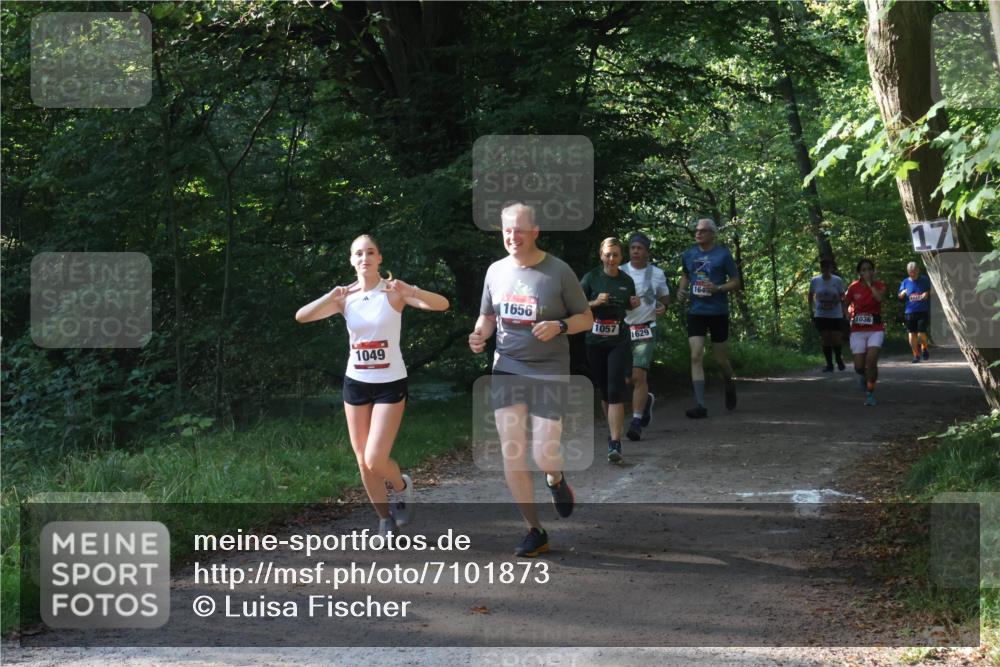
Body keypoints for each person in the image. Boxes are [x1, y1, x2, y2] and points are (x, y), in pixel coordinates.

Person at [296, 234, 450, 536]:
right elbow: (302, 317)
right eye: (358, 253)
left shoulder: (393, 293)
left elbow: (442, 305)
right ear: (351, 260)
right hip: (356, 382)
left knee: (375, 458)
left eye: (370, 252)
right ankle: (384, 520)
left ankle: (401, 485)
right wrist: (331, 296)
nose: (364, 258)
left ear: (379, 258)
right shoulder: (344, 298)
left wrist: (412, 290)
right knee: (363, 462)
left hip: (390, 383)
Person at [469, 203, 593, 558]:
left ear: (536, 231)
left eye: (520, 230)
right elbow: (487, 316)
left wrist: (561, 326)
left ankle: (555, 478)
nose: (513, 237)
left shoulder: (558, 271)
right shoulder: (495, 271)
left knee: (543, 455)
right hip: (507, 366)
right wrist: (479, 335)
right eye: (507, 231)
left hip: (549, 370)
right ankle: (534, 530)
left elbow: (586, 317)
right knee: (512, 452)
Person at [580, 237, 641, 463]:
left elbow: (627, 304)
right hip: (595, 342)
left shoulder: (626, 280)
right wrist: (595, 302)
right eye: (608, 255)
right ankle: (612, 432)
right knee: (605, 391)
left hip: (619, 341)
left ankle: (615, 442)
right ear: (601, 255)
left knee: (616, 389)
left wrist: (632, 304)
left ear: (621, 257)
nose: (612, 259)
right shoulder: (591, 277)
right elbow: (574, 304)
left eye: (616, 255)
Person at [677, 218, 741, 419]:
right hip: (696, 311)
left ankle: (729, 381)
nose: (698, 234)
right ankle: (700, 404)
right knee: (696, 356)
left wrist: (718, 288)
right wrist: (681, 289)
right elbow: (687, 275)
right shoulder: (688, 254)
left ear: (712, 234)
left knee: (720, 358)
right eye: (696, 231)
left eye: (703, 231)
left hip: (718, 312)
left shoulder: (723, 254)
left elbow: (736, 282)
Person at [620, 232, 670, 441]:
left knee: (639, 375)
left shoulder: (656, 274)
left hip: (645, 329)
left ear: (647, 251)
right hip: (622, 329)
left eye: (640, 248)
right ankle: (646, 402)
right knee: (627, 379)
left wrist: (663, 306)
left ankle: (636, 421)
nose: (635, 251)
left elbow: (665, 297)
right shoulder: (619, 271)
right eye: (633, 248)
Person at [844, 258, 886, 407]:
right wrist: (847, 313)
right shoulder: (853, 287)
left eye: (869, 269)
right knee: (859, 366)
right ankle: (862, 376)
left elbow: (879, 298)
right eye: (863, 270)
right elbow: (845, 302)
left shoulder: (879, 285)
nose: (867, 272)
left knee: (872, 360)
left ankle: (870, 392)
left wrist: (870, 285)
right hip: (857, 330)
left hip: (875, 329)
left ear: (873, 271)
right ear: (859, 273)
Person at [808, 258, 848, 372]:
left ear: (831, 268)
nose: (825, 269)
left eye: (827, 267)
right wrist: (811, 310)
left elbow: (843, 296)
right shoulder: (815, 280)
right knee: (825, 338)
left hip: (835, 314)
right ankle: (829, 364)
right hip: (821, 314)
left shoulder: (837, 280)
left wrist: (845, 310)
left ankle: (839, 358)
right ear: (821, 268)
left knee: (836, 339)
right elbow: (810, 295)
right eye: (823, 267)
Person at [898, 261, 932, 362]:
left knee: (921, 333)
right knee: (911, 334)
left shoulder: (925, 280)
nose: (912, 274)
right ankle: (916, 355)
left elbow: (933, 290)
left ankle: (924, 348)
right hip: (910, 312)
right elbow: (899, 296)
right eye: (910, 272)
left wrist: (927, 293)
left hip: (923, 310)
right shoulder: (905, 282)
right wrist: (903, 293)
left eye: (913, 271)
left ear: (918, 270)